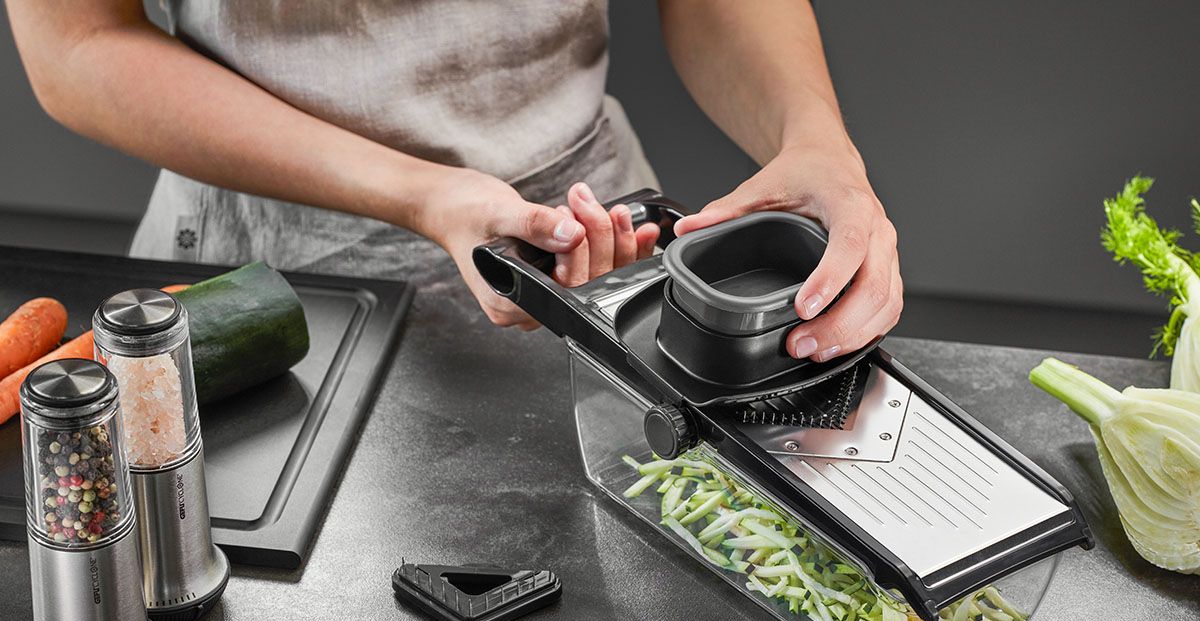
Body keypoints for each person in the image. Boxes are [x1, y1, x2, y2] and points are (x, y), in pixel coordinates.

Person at [8, 1, 901, 361]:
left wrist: (816, 138)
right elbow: (78, 46)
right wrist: (426, 194)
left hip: (602, 250)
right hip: (268, 279)